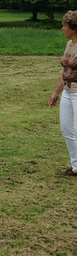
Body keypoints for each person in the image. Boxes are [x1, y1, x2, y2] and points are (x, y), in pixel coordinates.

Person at [48, 10, 77, 176]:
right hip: (67, 92)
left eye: (64, 26)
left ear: (73, 28)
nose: (62, 29)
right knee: (67, 129)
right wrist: (56, 93)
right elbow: (65, 72)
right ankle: (76, 167)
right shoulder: (69, 45)